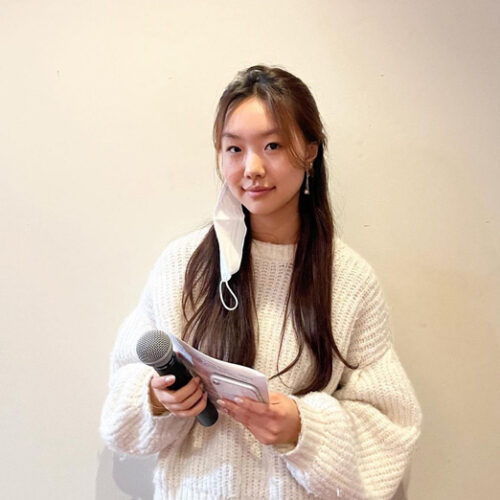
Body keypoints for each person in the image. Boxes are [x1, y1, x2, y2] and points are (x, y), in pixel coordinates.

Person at [100, 65, 422, 500]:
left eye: (272, 145)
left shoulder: (348, 281)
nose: (251, 168)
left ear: (310, 151)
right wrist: (156, 400)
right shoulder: (184, 266)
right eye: (234, 149)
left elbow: (389, 427)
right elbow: (120, 408)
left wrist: (303, 428)